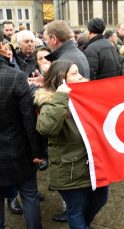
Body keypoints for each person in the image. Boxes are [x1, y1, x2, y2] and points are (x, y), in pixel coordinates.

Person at [35, 60, 109, 229]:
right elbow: (45, 128)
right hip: (70, 169)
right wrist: (61, 97)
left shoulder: (86, 97)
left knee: (100, 199)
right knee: (76, 209)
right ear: (61, 78)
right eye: (74, 73)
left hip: (95, 164)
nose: (81, 76)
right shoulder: (50, 100)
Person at [0, 28, 43, 229]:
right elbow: (28, 119)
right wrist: (37, 151)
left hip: (14, 149)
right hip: (18, 150)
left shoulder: (15, 75)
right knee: (29, 195)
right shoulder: (15, 76)